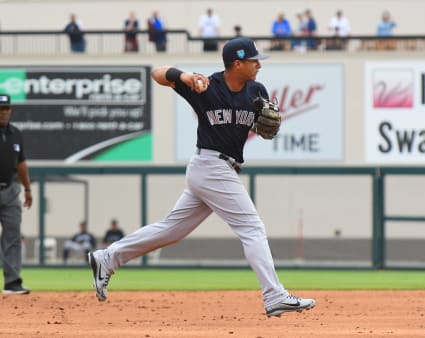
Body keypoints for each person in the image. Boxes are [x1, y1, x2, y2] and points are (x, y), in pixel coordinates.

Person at [88, 37, 316, 318]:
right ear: (237, 63)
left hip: (219, 170)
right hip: (211, 165)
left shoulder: (256, 90)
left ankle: (107, 258)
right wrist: (184, 76)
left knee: (172, 230)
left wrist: (265, 125)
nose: (259, 64)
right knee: (252, 228)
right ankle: (275, 296)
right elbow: (157, 73)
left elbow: (262, 126)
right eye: (253, 60)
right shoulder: (207, 87)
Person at [0, 94, 32, 295]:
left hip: (11, 190)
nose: (4, 112)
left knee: (12, 236)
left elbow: (21, 164)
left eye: (6, 108)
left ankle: (12, 282)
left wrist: (27, 188)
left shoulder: (15, 134)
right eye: (0, 109)